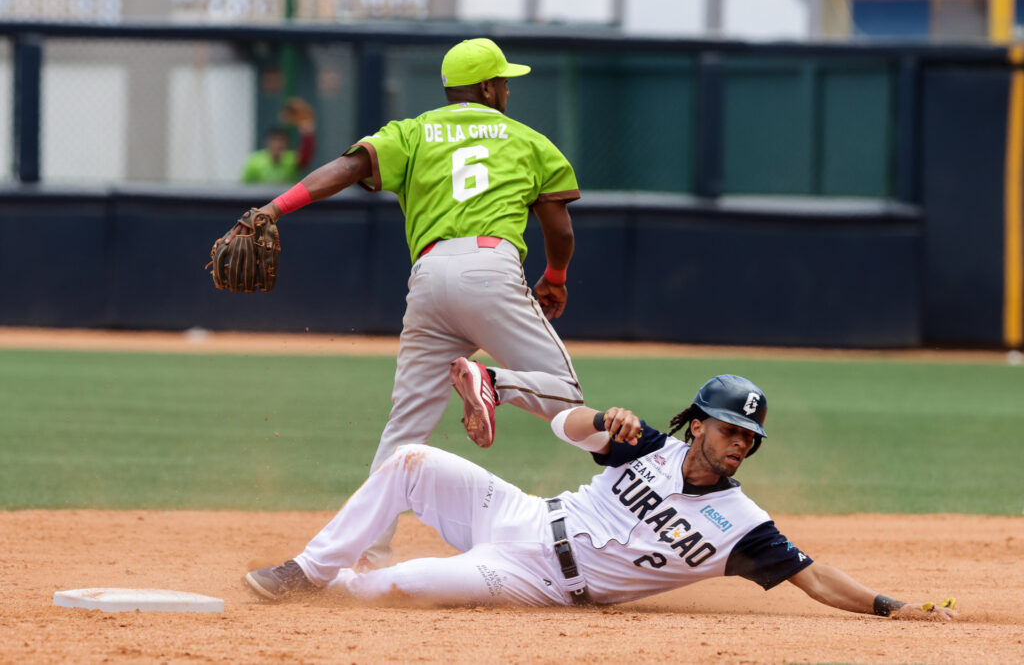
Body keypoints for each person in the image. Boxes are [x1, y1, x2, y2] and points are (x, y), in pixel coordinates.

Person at [223, 38, 586, 566]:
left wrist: (275, 209)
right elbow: (560, 225)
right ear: (487, 87)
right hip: (491, 268)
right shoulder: (529, 140)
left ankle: (369, 551)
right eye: (503, 80)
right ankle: (493, 384)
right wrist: (555, 276)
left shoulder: (413, 131)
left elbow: (346, 169)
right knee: (569, 400)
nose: (507, 88)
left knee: (406, 427)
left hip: (429, 278)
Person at [244, 374, 958, 621]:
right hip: (521, 514)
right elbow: (564, 424)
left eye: (750, 435)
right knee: (410, 460)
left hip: (531, 581)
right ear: (699, 423)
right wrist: (599, 417)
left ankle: (341, 580)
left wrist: (888, 605)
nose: (741, 441)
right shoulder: (647, 443)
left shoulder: (743, 527)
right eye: (731, 427)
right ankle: (304, 570)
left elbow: (815, 574)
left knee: (385, 590)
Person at [241, 97, 317, 184]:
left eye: (281, 140)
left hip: (287, 197)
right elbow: (244, 187)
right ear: (267, 142)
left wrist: (308, 134)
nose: (277, 144)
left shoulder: (290, 160)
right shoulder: (255, 162)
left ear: (287, 144)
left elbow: (304, 162)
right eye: (274, 140)